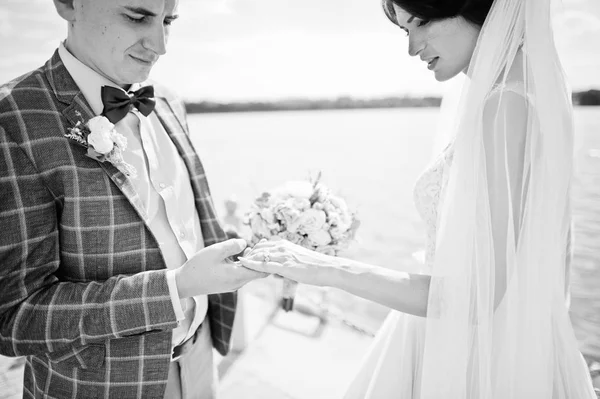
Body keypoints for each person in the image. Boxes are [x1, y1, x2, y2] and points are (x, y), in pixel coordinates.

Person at [240, 0, 598, 397]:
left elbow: (473, 300)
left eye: (423, 22)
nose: (413, 48)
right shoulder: (532, 89)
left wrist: (321, 268)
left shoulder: (505, 106)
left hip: (475, 360)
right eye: (405, 30)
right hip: (504, 345)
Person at [0, 0, 266, 398]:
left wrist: (252, 245)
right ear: (69, 4)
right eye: (138, 16)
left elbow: (179, 228)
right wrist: (176, 287)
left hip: (199, 365)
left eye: (168, 21)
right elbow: (15, 316)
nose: (160, 45)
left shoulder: (169, 102)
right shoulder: (12, 119)